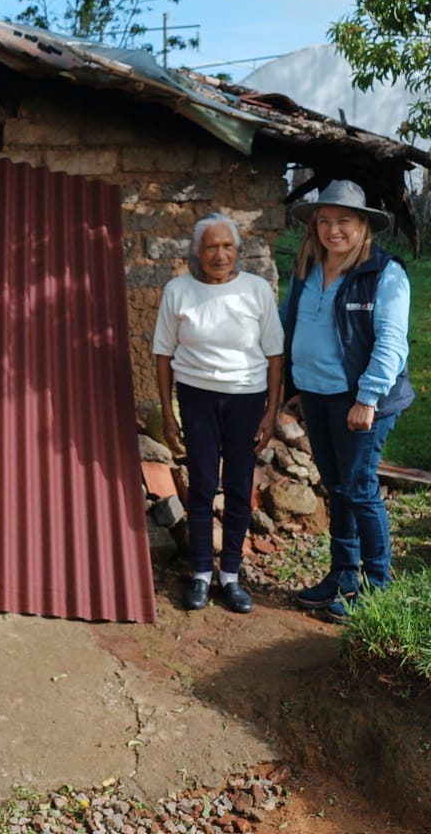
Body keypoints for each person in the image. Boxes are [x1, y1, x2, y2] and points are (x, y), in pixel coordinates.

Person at [280, 179, 413, 623]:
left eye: (343, 221)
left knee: (358, 488)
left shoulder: (383, 275)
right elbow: (283, 326)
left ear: (363, 226)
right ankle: (342, 577)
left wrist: (367, 397)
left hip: (359, 402)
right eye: (324, 221)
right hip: (316, 397)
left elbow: (392, 343)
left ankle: (378, 589)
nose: (332, 230)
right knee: (336, 487)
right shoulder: (308, 271)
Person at [152, 213, 283, 614]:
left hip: (246, 399)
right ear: (197, 251)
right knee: (204, 484)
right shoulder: (178, 290)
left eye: (227, 246)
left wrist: (270, 413)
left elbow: (275, 355)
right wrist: (168, 413)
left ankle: (231, 575)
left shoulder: (257, 291)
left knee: (240, 486)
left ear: (238, 251)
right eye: (211, 246)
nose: (220, 254)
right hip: (196, 398)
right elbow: (163, 355)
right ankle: (201, 575)